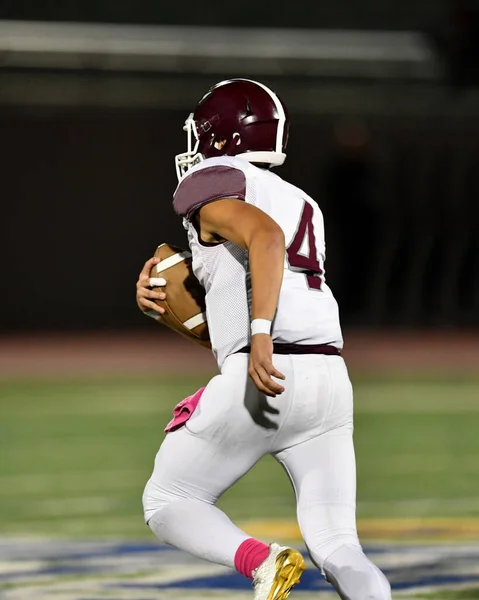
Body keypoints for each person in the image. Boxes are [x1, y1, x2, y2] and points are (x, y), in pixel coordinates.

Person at [136, 79, 391, 600]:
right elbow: (262, 274)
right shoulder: (304, 202)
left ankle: (263, 561)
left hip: (265, 375)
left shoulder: (209, 179)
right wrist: (217, 321)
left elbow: (265, 238)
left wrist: (257, 336)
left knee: (167, 500)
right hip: (328, 379)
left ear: (220, 137)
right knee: (340, 546)